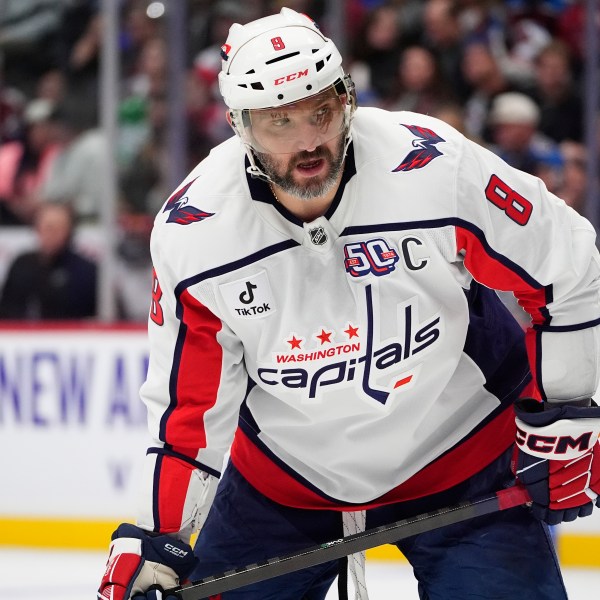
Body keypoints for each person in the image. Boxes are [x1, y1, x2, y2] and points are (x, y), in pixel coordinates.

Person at [98, 8, 600, 600]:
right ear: (240, 126)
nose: (309, 140)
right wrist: (154, 535)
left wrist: (565, 410)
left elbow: (565, 264)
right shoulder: (196, 231)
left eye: (321, 111)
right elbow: (189, 415)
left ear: (348, 100)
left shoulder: (434, 168)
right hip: (286, 487)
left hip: (463, 462)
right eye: (279, 122)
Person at [0, 201, 97, 319]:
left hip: (70, 336)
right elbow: (6, 311)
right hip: (23, 336)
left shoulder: (86, 271)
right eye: (46, 227)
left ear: (69, 232)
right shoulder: (22, 264)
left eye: (57, 229)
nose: (50, 235)